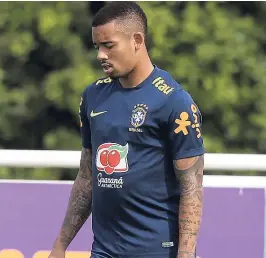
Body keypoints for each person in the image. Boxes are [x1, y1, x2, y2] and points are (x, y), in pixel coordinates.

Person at [48, 2, 205, 258]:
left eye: (109, 46)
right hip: (104, 251)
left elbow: (191, 188)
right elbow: (87, 176)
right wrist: (60, 244)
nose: (100, 55)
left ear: (137, 40)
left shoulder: (174, 102)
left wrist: (185, 254)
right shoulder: (92, 97)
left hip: (156, 251)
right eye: (97, 46)